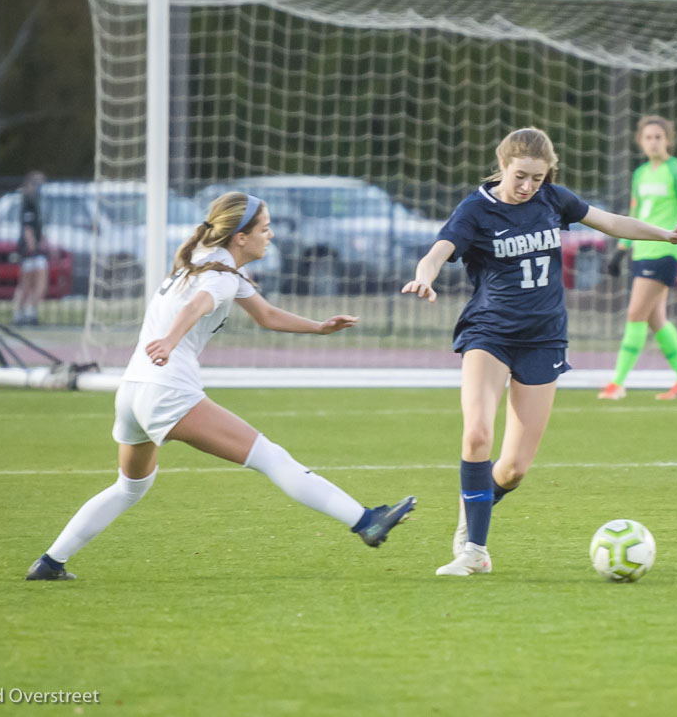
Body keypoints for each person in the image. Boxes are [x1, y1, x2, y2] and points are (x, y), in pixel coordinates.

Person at [26, 192, 415, 581]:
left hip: (133, 392)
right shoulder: (220, 276)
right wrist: (170, 342)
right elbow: (196, 306)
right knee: (272, 458)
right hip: (167, 390)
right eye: (264, 228)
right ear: (240, 237)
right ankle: (366, 521)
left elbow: (266, 314)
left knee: (130, 488)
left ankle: (49, 563)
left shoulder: (206, 259)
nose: (272, 235)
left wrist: (319, 327)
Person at [401, 127, 677, 577]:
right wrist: (425, 275)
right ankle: (474, 552)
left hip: (543, 337)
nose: (528, 186)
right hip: (490, 332)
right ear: (503, 164)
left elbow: (613, 222)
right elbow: (439, 250)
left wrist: (666, 235)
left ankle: (473, 507)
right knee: (477, 434)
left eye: (537, 178)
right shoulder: (476, 209)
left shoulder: (554, 199)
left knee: (514, 469)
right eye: (520, 176)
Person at [598, 115, 677, 401]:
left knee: (635, 314)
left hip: (663, 252)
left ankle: (617, 383)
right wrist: (620, 251)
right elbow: (635, 217)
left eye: (658, 137)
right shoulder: (640, 174)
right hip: (640, 252)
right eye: (647, 137)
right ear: (640, 141)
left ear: (668, 139)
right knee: (656, 320)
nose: (653, 142)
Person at [12, 171, 48, 326]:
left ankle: (29, 312)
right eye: (37, 182)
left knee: (35, 282)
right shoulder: (28, 200)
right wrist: (32, 245)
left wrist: (44, 241)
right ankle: (21, 313)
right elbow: (27, 228)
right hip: (30, 250)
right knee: (28, 283)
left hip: (37, 248)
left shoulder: (37, 201)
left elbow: (38, 226)